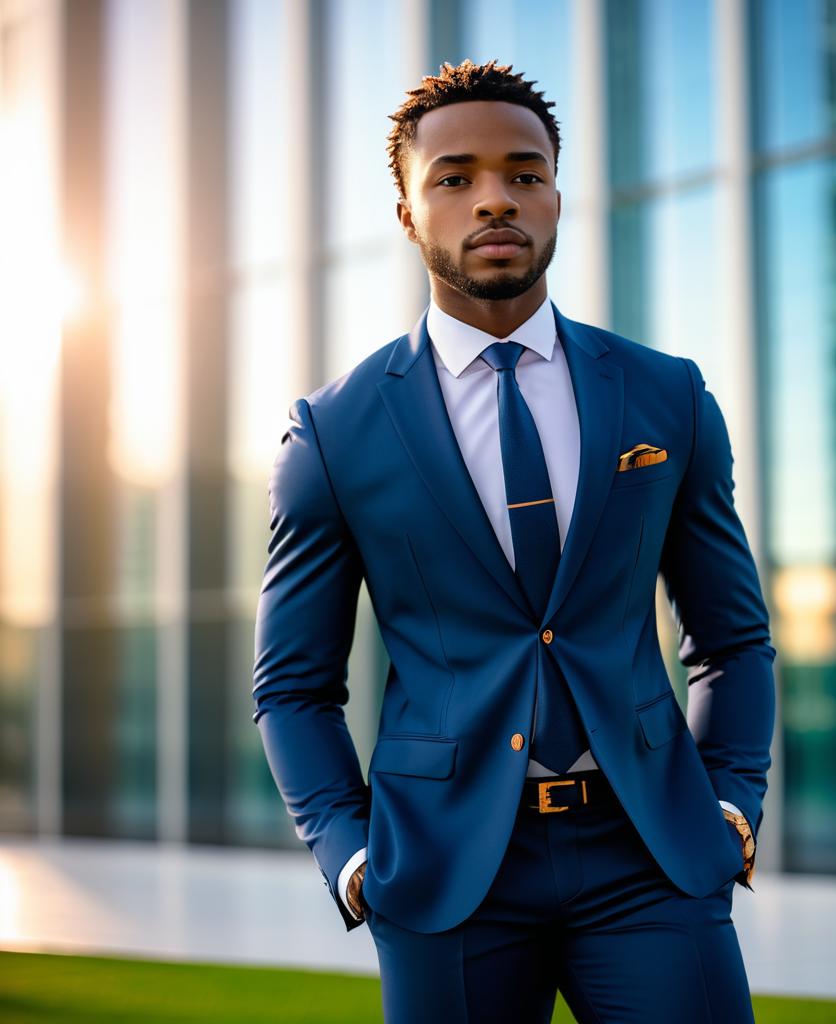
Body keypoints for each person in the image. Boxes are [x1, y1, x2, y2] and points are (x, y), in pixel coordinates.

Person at [253, 58, 776, 1023]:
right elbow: (292, 685)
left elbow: (732, 636)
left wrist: (731, 798)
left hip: (651, 854)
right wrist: (352, 854)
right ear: (409, 211)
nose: (494, 199)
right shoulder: (334, 433)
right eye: (454, 178)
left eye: (524, 173)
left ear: (557, 196)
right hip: (444, 874)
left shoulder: (668, 396)